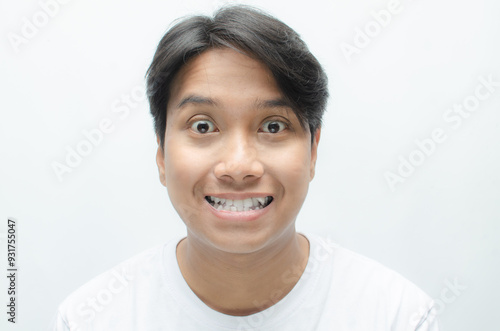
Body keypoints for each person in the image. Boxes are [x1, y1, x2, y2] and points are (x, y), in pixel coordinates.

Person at [51, 5, 439, 330]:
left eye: (273, 126)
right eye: (203, 126)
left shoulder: (396, 316)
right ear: (162, 155)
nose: (238, 166)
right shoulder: (91, 318)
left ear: (313, 152)